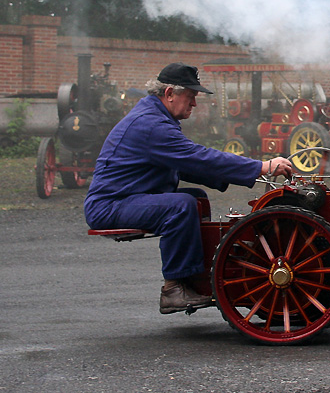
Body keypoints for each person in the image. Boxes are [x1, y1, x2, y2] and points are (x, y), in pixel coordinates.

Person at [84, 63, 293, 314]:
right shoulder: (152, 125)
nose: (194, 103)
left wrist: (251, 175)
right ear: (169, 93)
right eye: (191, 96)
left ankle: (195, 277)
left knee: (196, 198)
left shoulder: (156, 117)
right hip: (109, 205)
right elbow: (198, 158)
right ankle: (173, 289)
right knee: (181, 205)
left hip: (127, 197)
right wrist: (261, 166)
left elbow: (189, 166)